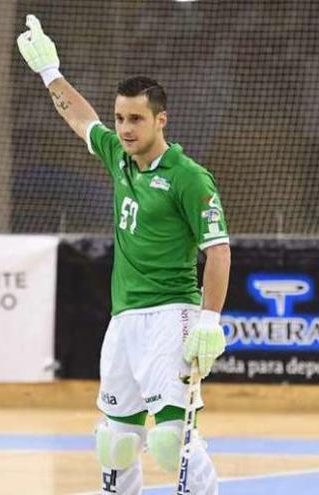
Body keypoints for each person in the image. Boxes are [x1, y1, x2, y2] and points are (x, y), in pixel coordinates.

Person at [17, 16, 230, 495]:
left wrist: (209, 321)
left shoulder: (188, 177)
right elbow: (80, 118)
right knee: (116, 441)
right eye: (120, 118)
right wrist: (50, 72)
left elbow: (218, 250)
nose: (125, 128)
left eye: (136, 119)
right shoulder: (118, 157)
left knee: (173, 441)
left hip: (170, 314)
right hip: (124, 319)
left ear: (161, 120)